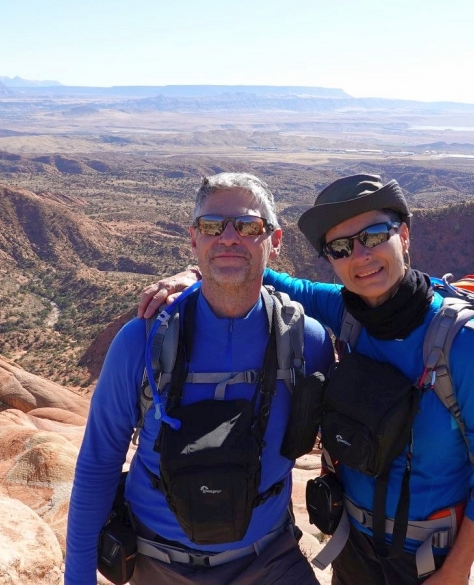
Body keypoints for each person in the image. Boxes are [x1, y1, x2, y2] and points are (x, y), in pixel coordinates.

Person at [139, 174, 474, 585]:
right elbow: (261, 276)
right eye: (341, 247)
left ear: (404, 235)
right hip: (352, 547)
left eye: (374, 236)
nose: (361, 256)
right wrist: (194, 274)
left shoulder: (463, 346)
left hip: (428, 560)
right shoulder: (348, 312)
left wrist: (457, 570)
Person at [66, 173, 334, 585]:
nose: (228, 237)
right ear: (194, 240)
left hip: (270, 561)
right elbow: (99, 462)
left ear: (275, 242)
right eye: (212, 226)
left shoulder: (306, 342)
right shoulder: (142, 339)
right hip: (159, 563)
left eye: (247, 226)